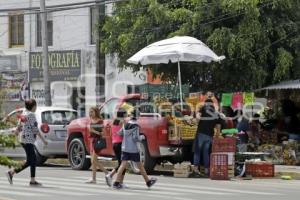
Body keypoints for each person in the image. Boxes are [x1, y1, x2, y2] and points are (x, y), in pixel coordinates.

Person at [5, 99, 48, 186]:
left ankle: (29, 179)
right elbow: (35, 129)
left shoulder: (24, 112)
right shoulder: (32, 115)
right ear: (33, 106)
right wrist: (44, 140)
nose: (36, 107)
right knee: (32, 160)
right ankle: (13, 173)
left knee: (31, 160)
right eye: (35, 106)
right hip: (28, 140)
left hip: (23, 139)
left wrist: (16, 132)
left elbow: (19, 125)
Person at [112, 109, 157, 189]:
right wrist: (142, 137)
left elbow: (120, 133)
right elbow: (135, 138)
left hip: (125, 148)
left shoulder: (126, 124)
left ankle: (116, 183)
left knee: (122, 165)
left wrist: (126, 136)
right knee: (140, 166)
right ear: (138, 116)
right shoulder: (136, 125)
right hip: (133, 149)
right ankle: (148, 182)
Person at [193, 99, 225, 177]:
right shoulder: (216, 113)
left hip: (201, 133)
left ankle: (196, 170)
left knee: (197, 151)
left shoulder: (203, 108)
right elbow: (218, 126)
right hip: (209, 136)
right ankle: (207, 170)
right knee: (206, 152)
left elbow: (198, 116)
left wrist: (197, 120)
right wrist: (217, 135)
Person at [86, 106, 111, 184]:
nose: (90, 113)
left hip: (97, 141)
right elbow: (90, 131)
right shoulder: (90, 121)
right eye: (90, 112)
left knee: (94, 160)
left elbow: (103, 133)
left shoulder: (99, 121)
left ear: (96, 112)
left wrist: (94, 131)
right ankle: (94, 179)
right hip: (91, 140)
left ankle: (107, 172)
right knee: (93, 161)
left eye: (92, 112)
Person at [105, 109, 127, 187]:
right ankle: (111, 175)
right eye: (126, 114)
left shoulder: (113, 121)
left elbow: (111, 134)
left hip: (114, 144)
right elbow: (125, 132)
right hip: (121, 144)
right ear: (123, 115)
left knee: (121, 163)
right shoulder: (123, 122)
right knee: (123, 164)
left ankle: (120, 182)